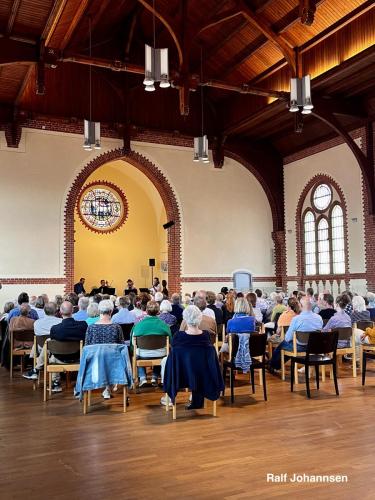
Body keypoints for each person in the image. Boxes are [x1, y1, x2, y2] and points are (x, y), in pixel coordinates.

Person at [162, 305, 222, 409]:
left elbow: (175, 355)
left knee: (166, 361)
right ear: (199, 318)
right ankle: (196, 402)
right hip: (203, 373)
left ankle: (169, 399)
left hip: (182, 373)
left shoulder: (178, 336)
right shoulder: (206, 336)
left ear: (185, 319)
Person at [270, 296, 323, 371]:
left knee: (281, 346)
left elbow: (288, 338)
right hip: (314, 347)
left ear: (300, 306)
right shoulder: (319, 318)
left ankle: (273, 366)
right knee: (286, 345)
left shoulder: (297, 319)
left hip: (300, 347)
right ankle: (274, 365)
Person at [85, 299, 124, 399]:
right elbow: (122, 347)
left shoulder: (91, 328)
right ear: (111, 311)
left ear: (99, 311)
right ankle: (108, 387)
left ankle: (105, 387)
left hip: (95, 362)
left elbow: (87, 347)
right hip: (113, 362)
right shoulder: (116, 327)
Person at [48, 301, 87, 393]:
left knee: (51, 354)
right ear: (73, 311)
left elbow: (54, 346)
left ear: (60, 312)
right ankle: (80, 382)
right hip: (78, 358)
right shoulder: (83, 325)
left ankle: (56, 383)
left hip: (59, 359)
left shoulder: (55, 329)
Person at [131, 300, 172, 386]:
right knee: (162, 352)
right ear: (158, 311)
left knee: (136, 352)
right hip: (160, 353)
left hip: (143, 354)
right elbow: (170, 341)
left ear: (146, 311)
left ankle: (142, 378)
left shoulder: (138, 325)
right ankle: (154, 377)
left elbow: (132, 343)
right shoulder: (164, 325)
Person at [22, 302, 62, 380]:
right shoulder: (60, 321)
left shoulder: (37, 323)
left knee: (39, 343)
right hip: (57, 349)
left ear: (44, 310)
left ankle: (36, 369)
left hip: (41, 349)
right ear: (56, 311)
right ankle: (55, 381)